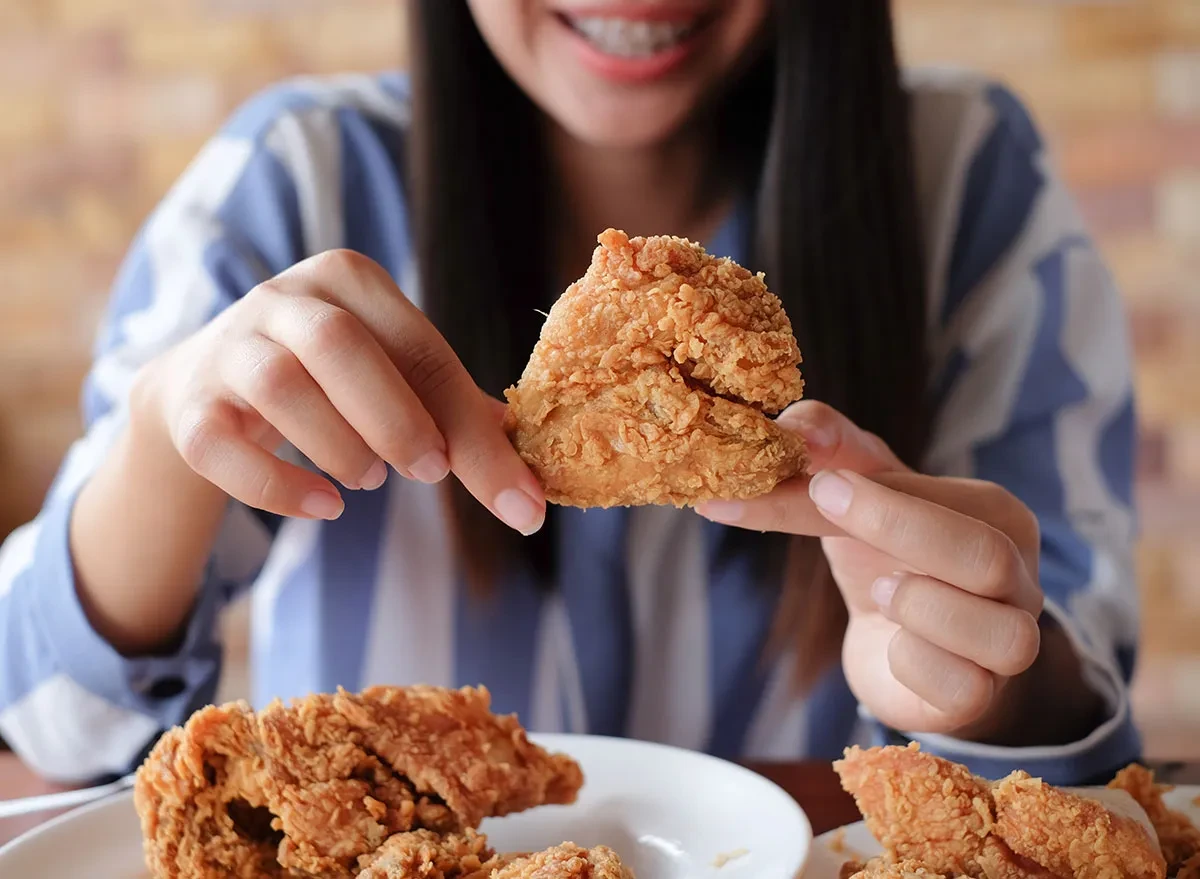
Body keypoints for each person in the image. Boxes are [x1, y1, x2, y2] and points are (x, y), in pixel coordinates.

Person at [0, 0, 1139, 786]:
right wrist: (161, 438)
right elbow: (50, 731)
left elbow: (1085, 743)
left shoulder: (967, 180)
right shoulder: (296, 180)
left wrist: (988, 684)